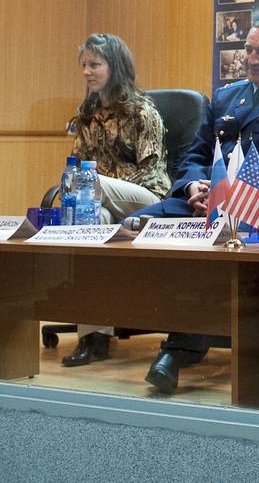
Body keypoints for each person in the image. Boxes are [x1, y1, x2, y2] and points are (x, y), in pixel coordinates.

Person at [138, 17, 259, 394]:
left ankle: (178, 349)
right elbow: (194, 152)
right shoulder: (227, 96)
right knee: (136, 226)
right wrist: (193, 183)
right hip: (207, 201)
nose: (252, 59)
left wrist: (231, 190)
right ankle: (113, 321)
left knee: (216, 253)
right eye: (248, 50)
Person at [61, 34, 171, 366]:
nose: (86, 72)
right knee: (93, 223)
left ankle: (94, 200)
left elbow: (151, 169)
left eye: (94, 64)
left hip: (148, 197)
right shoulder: (85, 115)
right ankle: (93, 337)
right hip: (103, 201)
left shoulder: (142, 110)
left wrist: (98, 189)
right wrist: (95, 203)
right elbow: (75, 163)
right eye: (84, 65)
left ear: (115, 67)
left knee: (88, 184)